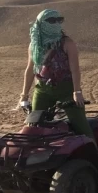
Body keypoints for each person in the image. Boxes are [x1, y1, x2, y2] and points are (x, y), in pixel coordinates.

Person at [19, 9, 93, 138]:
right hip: (42, 90)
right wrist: (24, 95)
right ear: (41, 23)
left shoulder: (67, 43)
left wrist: (77, 92)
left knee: (82, 128)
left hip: (66, 89)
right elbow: (30, 69)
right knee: (34, 127)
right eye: (52, 21)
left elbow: (75, 69)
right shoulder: (34, 45)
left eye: (60, 20)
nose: (57, 24)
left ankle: (94, 156)